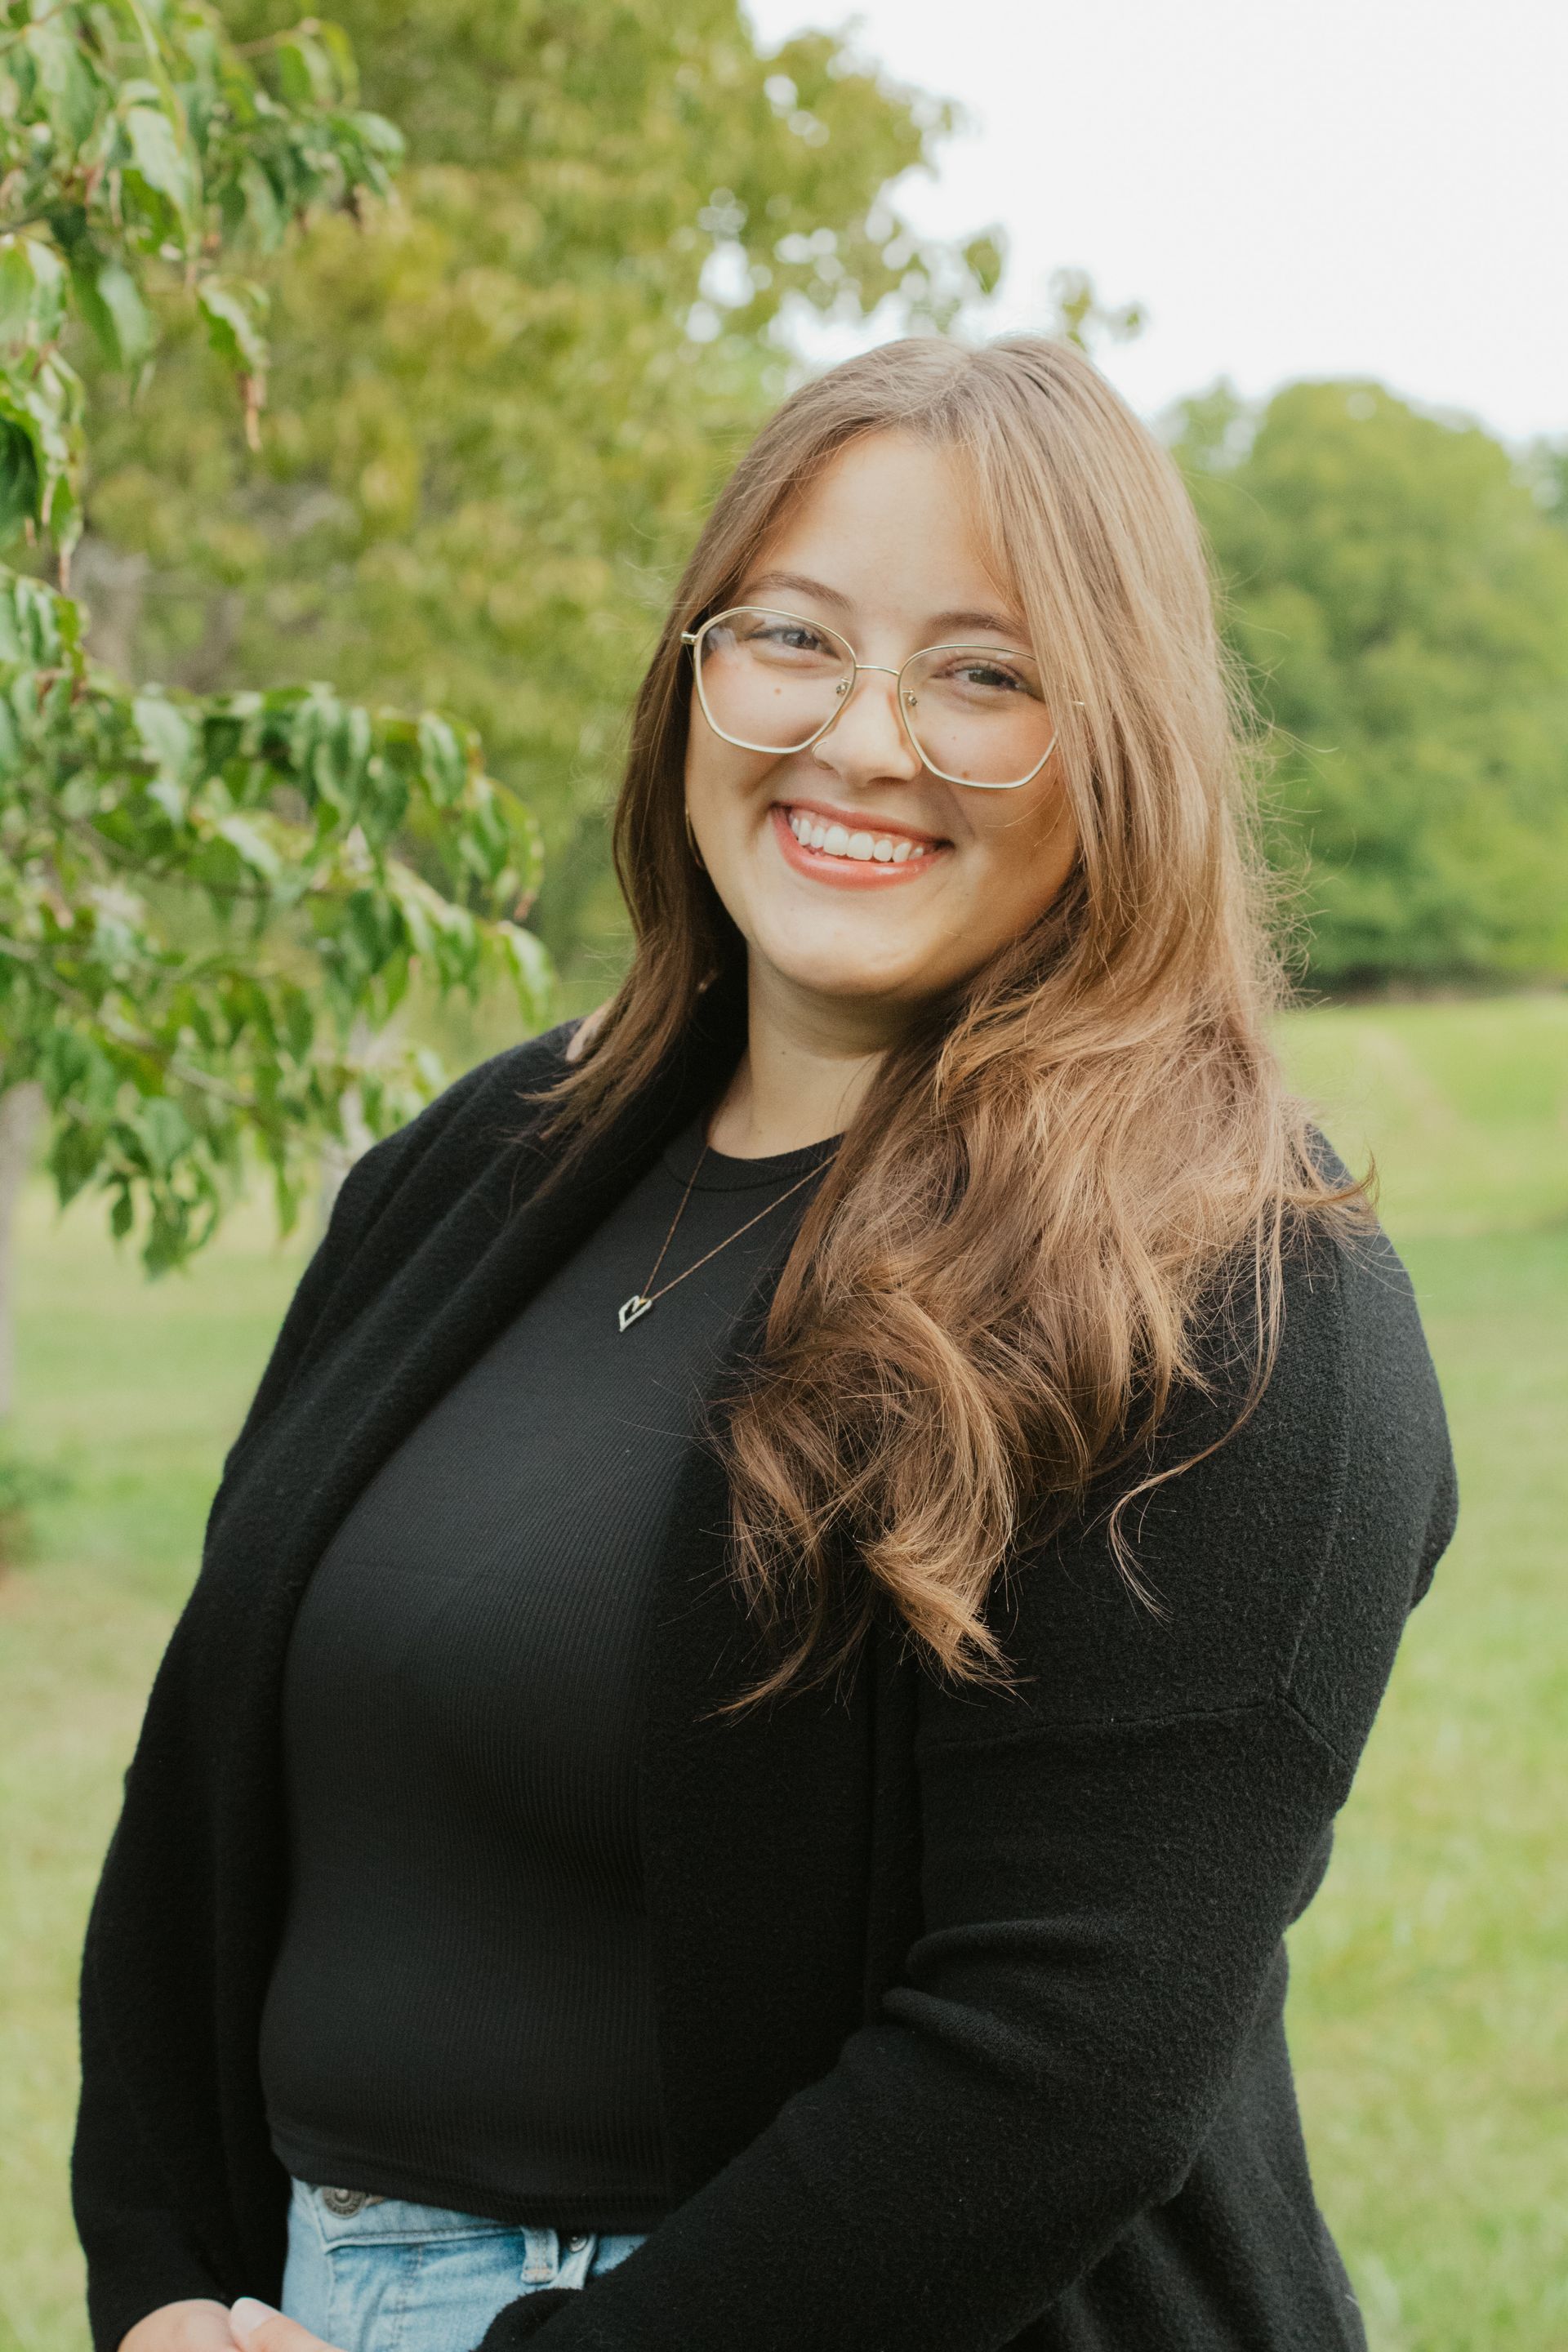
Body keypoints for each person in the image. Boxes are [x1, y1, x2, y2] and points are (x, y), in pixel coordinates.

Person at [74, 334, 1457, 2352]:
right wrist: (166, 2284)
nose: (865, 738)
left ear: (1121, 737)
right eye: (793, 637)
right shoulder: (476, 1168)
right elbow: (199, 1791)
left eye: (984, 675)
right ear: (693, 678)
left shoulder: (1234, 1285)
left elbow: (1061, 2066)